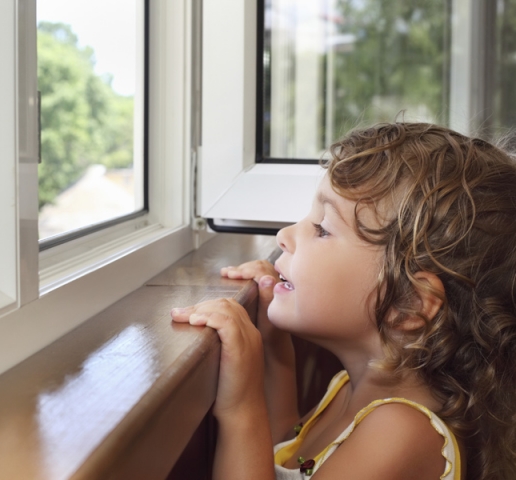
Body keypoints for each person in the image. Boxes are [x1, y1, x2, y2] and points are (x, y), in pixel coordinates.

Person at [171, 122, 516, 480]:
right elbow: (289, 454)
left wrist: (241, 410)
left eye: (321, 228)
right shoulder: (348, 391)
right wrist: (273, 345)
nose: (285, 235)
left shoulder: (400, 432)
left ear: (409, 303)